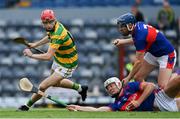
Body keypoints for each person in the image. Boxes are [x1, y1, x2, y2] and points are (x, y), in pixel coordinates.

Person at [17, 9, 88, 111]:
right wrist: (35, 44)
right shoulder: (54, 27)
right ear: (42, 23)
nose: (48, 25)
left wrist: (31, 55)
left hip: (68, 64)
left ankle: (26, 106)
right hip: (59, 59)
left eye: (50, 22)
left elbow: (48, 57)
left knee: (42, 86)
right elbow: (49, 37)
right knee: (54, 83)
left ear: (54, 20)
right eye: (45, 23)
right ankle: (81, 88)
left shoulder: (59, 34)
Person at [112, 13, 176, 89]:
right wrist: (122, 41)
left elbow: (139, 61)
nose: (121, 29)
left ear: (130, 25)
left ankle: (175, 79)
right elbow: (138, 39)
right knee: (138, 77)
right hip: (153, 53)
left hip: (166, 55)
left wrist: (128, 78)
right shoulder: (137, 26)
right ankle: (149, 94)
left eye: (123, 26)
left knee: (162, 86)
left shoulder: (140, 36)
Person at [67, 76, 180, 112]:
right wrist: (77, 107)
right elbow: (98, 110)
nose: (110, 89)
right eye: (108, 88)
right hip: (161, 109)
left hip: (159, 97)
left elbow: (150, 86)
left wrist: (138, 102)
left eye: (112, 85)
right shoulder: (117, 105)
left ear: (118, 84)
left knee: (176, 80)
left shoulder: (130, 86)